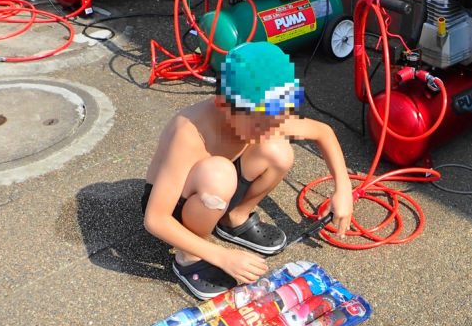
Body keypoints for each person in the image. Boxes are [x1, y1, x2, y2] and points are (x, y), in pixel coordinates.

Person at [142, 42, 354, 298]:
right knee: (219, 174)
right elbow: (155, 219)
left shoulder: (264, 112)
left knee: (279, 151)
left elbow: (323, 132)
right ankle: (189, 256)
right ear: (224, 105)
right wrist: (223, 257)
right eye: (259, 124)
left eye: (277, 119)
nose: (269, 129)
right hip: (177, 205)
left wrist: (344, 190)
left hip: (220, 183)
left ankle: (234, 219)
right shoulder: (189, 132)